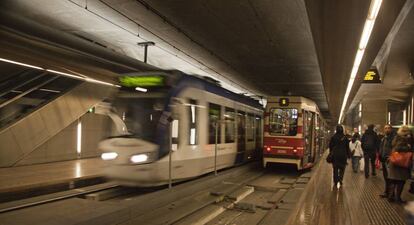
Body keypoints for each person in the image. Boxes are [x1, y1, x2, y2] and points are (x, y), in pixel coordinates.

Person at [387, 126, 413, 204]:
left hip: (395, 161)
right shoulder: (403, 139)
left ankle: (391, 197)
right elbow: (398, 148)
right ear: (405, 132)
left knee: (394, 181)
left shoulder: (396, 138)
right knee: (401, 181)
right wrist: (408, 147)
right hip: (401, 163)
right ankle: (397, 198)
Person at [378, 124, 396, 198]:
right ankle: (387, 192)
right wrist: (380, 156)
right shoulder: (384, 138)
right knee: (386, 177)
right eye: (385, 128)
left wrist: (391, 156)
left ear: (391, 129)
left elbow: (395, 148)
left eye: (388, 128)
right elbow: (381, 148)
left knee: (391, 178)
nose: (387, 129)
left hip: (390, 160)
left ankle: (391, 195)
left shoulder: (394, 138)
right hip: (384, 160)